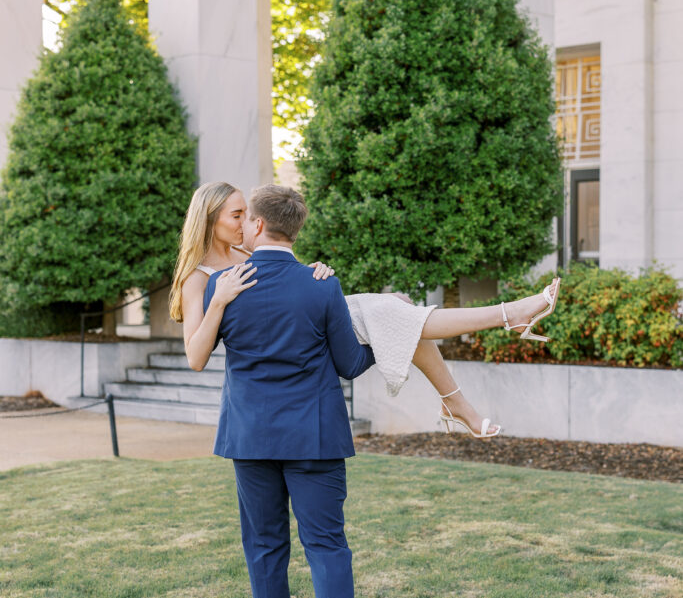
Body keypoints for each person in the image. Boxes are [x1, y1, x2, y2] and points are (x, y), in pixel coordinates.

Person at [170, 181, 560, 438]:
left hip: (320, 318)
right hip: (290, 356)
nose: (245, 223)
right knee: (402, 319)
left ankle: (480, 363)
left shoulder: (249, 251)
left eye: (245, 214)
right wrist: (218, 300)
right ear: (210, 219)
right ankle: (505, 323)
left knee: (401, 316)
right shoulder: (199, 278)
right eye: (236, 216)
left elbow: (291, 285)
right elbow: (195, 356)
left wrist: (311, 271)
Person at [203, 184, 375, 598]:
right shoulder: (322, 284)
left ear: (256, 225)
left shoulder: (224, 287)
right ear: (294, 229)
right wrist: (385, 335)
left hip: (251, 437)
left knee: (264, 549)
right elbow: (350, 364)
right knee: (327, 547)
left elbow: (205, 347)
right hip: (315, 437)